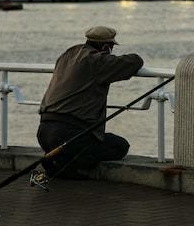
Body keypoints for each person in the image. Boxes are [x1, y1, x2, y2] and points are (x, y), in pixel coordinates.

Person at [34, 26, 144, 182]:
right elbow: (134, 61)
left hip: (44, 133)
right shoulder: (97, 61)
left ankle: (60, 160)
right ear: (107, 46)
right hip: (71, 135)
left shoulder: (68, 54)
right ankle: (68, 164)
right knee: (120, 146)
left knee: (100, 141)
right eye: (111, 47)